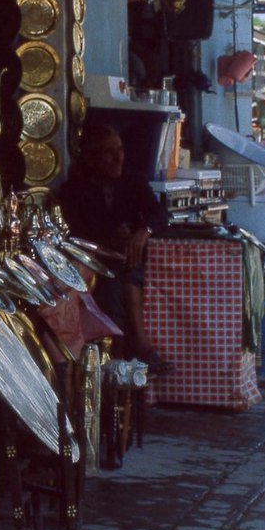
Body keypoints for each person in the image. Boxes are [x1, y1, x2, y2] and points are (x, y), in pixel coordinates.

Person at [56, 121, 168, 368]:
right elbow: (74, 232)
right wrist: (107, 240)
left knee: (128, 270)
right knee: (112, 287)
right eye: (109, 152)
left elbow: (159, 213)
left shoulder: (133, 181)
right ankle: (128, 352)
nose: (118, 158)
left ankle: (133, 349)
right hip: (95, 261)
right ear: (92, 157)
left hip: (127, 258)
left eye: (120, 150)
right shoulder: (75, 190)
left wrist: (143, 232)